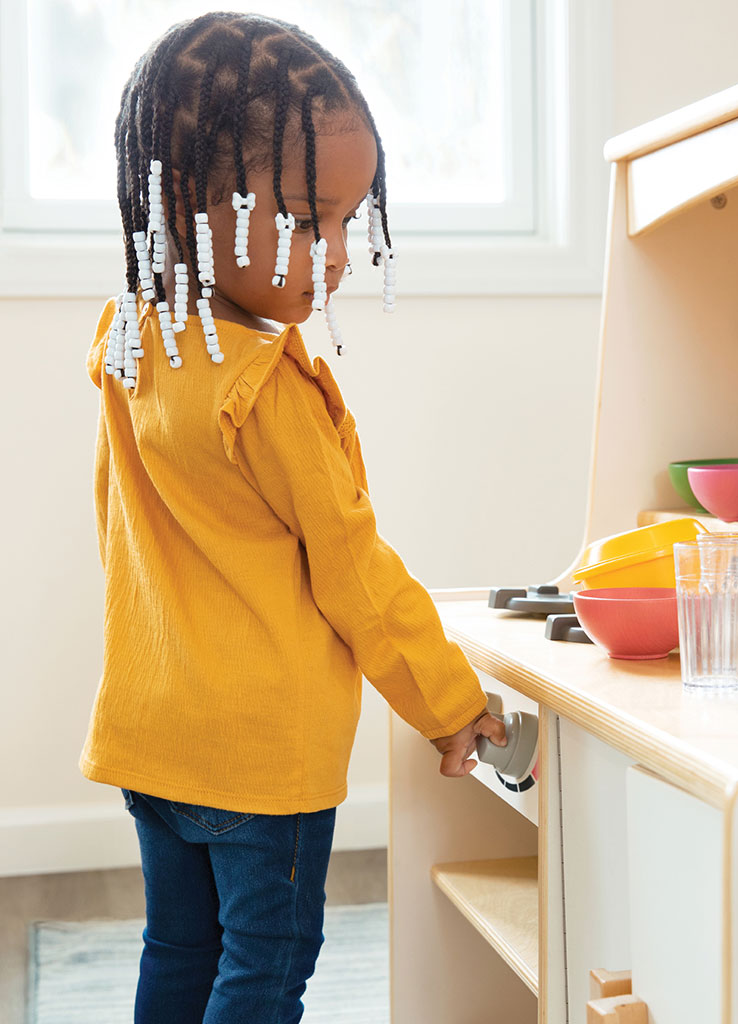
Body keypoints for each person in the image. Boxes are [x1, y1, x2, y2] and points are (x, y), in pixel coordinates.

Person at [80, 12, 505, 1023]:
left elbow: (116, 526)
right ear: (187, 200)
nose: (339, 253)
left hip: (153, 726)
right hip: (261, 756)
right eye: (311, 220)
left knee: (179, 949)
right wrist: (451, 707)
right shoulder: (268, 389)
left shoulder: (131, 341)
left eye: (354, 222)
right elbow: (358, 576)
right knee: (265, 965)